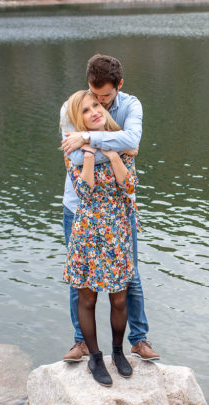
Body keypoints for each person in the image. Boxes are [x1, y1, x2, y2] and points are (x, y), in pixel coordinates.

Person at [60, 54, 160, 363]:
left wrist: (90, 140)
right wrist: (116, 145)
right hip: (80, 208)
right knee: (82, 281)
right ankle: (82, 342)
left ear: (119, 86)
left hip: (119, 212)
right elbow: (74, 158)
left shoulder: (131, 106)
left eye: (104, 98)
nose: (98, 102)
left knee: (130, 277)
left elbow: (132, 140)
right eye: (94, 94)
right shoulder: (73, 107)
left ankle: (138, 340)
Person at [62, 89, 136, 387]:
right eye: (85, 110)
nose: (94, 111)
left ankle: (118, 353)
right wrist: (91, 154)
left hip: (116, 227)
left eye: (96, 106)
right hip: (88, 229)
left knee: (119, 298)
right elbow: (84, 192)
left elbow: (129, 185)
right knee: (87, 297)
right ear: (76, 119)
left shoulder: (121, 140)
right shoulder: (73, 149)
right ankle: (94, 356)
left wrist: (112, 153)